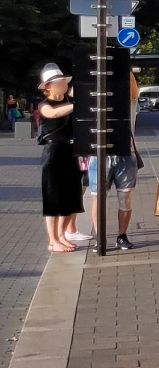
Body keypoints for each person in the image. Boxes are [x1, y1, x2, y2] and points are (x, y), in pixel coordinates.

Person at [86, 72, 139, 250]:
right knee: (97, 197)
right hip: (99, 155)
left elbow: (133, 89)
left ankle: (122, 236)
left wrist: (123, 65)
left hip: (125, 153)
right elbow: (74, 91)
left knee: (125, 197)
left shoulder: (127, 102)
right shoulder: (94, 100)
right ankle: (100, 237)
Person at [36, 64, 83, 252]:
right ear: (48, 86)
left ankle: (62, 235)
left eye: (64, 82)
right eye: (59, 82)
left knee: (71, 197)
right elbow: (53, 113)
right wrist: (76, 104)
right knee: (53, 198)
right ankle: (52, 240)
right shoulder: (44, 104)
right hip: (53, 152)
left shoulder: (71, 101)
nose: (63, 85)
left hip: (71, 151)